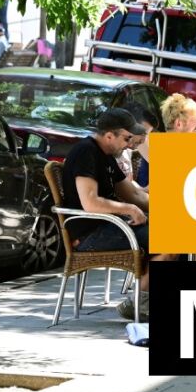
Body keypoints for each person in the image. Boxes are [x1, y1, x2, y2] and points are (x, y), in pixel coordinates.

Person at [61, 108, 169, 321]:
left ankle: (145, 300)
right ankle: (138, 304)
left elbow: (134, 194)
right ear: (110, 135)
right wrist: (129, 209)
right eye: (127, 138)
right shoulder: (86, 152)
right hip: (90, 234)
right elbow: (90, 202)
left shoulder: (107, 155)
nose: (130, 144)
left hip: (111, 226)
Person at [119, 104, 157, 192]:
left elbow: (129, 183)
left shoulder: (127, 150)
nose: (144, 140)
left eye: (147, 134)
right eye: (143, 134)